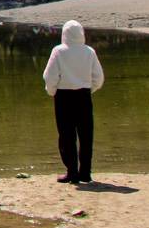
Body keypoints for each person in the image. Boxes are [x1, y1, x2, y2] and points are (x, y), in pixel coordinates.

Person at [42, 20, 105, 184]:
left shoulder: (58, 51)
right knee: (86, 135)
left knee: (66, 135)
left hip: (63, 96)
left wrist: (51, 91)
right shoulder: (89, 51)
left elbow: (50, 76)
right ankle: (85, 173)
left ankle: (72, 172)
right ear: (81, 34)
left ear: (64, 34)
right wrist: (89, 90)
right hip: (84, 95)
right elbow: (98, 77)